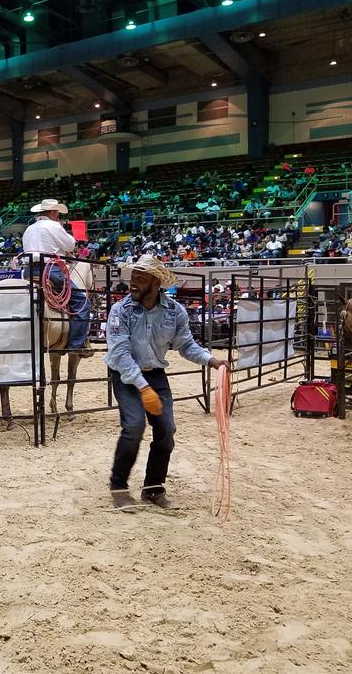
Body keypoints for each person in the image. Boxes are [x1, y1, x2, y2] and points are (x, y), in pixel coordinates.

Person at [104, 254, 227, 510]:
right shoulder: (120, 310)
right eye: (133, 276)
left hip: (155, 375)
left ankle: (153, 488)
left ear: (156, 282)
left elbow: (186, 345)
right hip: (126, 375)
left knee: (166, 430)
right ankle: (119, 485)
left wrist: (211, 360)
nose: (133, 282)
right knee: (134, 426)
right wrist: (143, 387)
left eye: (140, 277)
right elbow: (120, 353)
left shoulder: (174, 311)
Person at [21, 198, 92, 356]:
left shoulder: (29, 229)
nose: (58, 216)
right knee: (82, 302)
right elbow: (71, 245)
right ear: (53, 212)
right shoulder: (53, 225)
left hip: (29, 271)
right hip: (50, 270)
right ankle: (76, 344)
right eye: (57, 213)